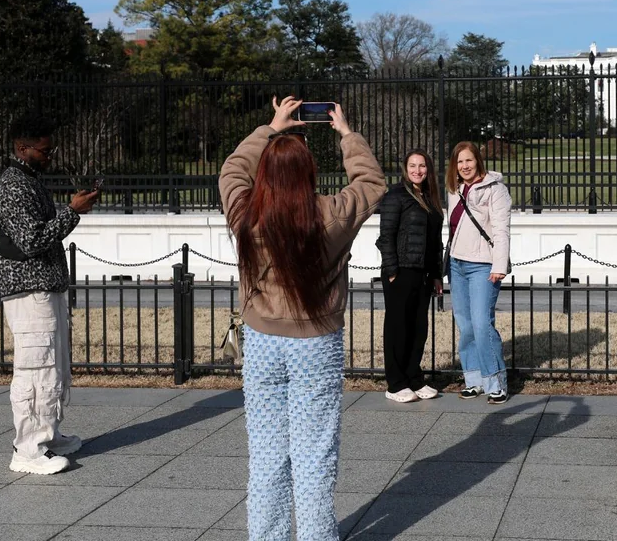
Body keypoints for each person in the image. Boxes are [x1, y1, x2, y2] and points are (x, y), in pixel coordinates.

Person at [219, 97, 385, 541]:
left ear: (265, 176)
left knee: (268, 454)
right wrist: (346, 134)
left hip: (263, 342)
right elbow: (371, 181)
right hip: (316, 343)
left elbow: (231, 171)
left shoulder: (245, 215)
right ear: (309, 174)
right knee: (314, 454)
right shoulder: (331, 215)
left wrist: (271, 127)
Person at [0, 114, 99, 475]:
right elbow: (32, 240)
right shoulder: (13, 185)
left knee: (54, 366)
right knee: (34, 367)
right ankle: (27, 449)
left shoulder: (30, 181)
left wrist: (70, 209)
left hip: (44, 286)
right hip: (27, 289)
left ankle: (48, 435)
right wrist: (72, 212)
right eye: (44, 149)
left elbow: (42, 230)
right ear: (22, 148)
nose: (50, 155)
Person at [444, 141, 512, 404]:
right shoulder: (454, 189)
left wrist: (499, 265)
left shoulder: (495, 190)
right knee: (466, 325)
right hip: (457, 264)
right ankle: (474, 380)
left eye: (469, 160)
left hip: (482, 265)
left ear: (478, 161)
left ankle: (495, 381)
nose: (464, 166)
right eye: (460, 162)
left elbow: (501, 230)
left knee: (483, 324)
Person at [375, 150, 444, 403]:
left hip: (423, 273)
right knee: (398, 327)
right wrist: (392, 271)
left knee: (418, 328)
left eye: (422, 166)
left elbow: (436, 242)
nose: (418, 170)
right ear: (406, 168)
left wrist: (437, 274)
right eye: (413, 166)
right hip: (400, 271)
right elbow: (386, 237)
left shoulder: (431, 198)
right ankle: (395, 383)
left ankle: (414, 378)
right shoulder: (396, 196)